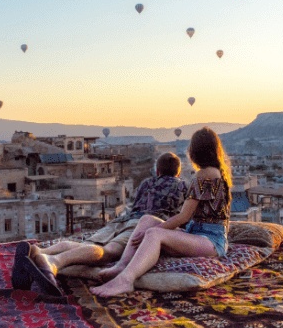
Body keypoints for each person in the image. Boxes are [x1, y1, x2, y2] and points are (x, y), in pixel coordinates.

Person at [11, 152, 188, 296]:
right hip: (142, 224)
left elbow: (135, 206)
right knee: (107, 252)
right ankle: (52, 261)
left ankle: (38, 251)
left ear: (157, 171)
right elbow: (183, 216)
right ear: (178, 173)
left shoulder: (147, 183)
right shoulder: (181, 187)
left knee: (88, 244)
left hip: (122, 220)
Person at [90, 127, 232, 297]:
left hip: (210, 241)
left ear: (194, 152)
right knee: (147, 220)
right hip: (199, 234)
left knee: (154, 234)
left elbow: (183, 217)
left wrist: (156, 231)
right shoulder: (217, 174)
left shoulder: (203, 176)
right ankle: (122, 265)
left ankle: (126, 279)